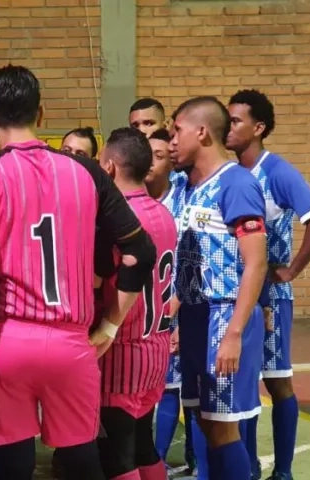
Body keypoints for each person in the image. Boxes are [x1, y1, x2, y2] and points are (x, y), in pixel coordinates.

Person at [0, 64, 157, 480]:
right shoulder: (86, 171)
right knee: (82, 462)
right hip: (71, 341)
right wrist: (108, 326)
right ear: (42, 114)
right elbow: (139, 251)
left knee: (11, 467)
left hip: (7, 341)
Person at [226, 89, 310, 480]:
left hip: (271, 293)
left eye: (236, 120)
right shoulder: (230, 173)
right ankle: (249, 467)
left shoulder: (277, 171)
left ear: (259, 127)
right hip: (239, 294)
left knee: (277, 381)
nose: (229, 127)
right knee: (245, 384)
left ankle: (283, 471)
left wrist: (290, 270)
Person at [168, 96, 268, 480]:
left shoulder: (238, 183)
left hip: (225, 315)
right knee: (205, 422)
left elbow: (255, 262)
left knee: (224, 426)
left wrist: (234, 333)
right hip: (194, 316)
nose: (172, 140)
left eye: (177, 130)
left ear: (202, 132)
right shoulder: (185, 185)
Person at [95, 127, 177, 480]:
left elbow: (99, 282)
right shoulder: (163, 214)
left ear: (110, 168)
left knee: (119, 456)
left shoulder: (119, 221)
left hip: (123, 349)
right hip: (155, 346)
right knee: (143, 444)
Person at [144, 127, 196, 475]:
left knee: (169, 386)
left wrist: (173, 306)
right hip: (135, 309)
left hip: (171, 309)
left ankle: (158, 462)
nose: (151, 162)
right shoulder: (127, 196)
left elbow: (191, 260)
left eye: (160, 156)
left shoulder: (183, 198)